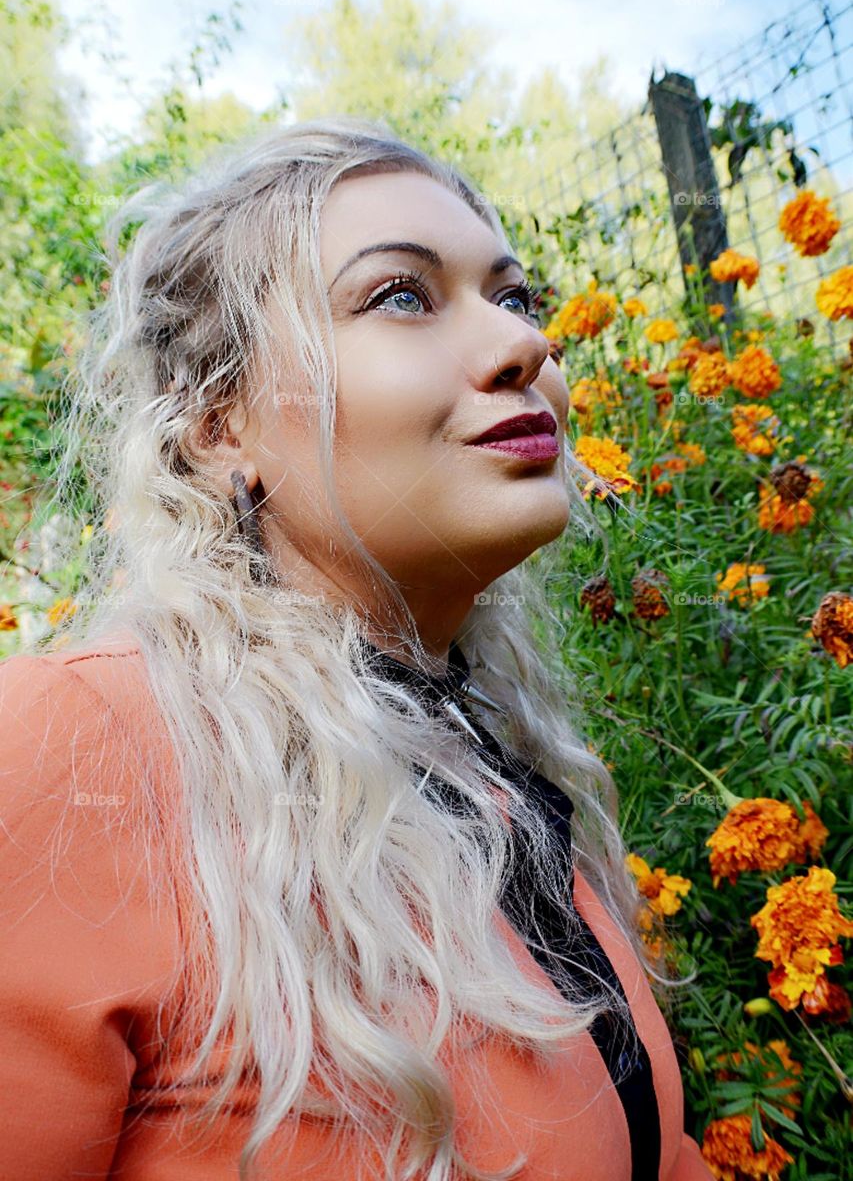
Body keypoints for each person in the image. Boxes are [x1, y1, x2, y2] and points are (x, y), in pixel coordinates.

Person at [0, 115, 715, 1180]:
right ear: (216, 424)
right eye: (401, 296)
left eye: (513, 297)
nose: (526, 345)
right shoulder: (81, 745)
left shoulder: (493, 766)